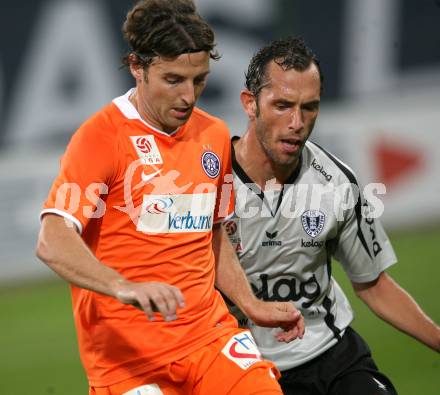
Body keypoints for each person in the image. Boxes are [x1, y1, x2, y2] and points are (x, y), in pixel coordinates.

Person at [35, 2, 305, 394]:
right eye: (173, 79)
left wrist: (250, 303)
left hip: (209, 338)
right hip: (128, 362)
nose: (188, 96)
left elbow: (211, 233)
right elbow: (52, 240)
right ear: (137, 66)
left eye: (199, 80)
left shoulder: (212, 135)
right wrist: (124, 285)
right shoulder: (101, 138)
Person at [226, 37, 440, 395]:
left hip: (331, 354)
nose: (297, 122)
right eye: (282, 105)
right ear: (250, 104)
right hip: (244, 369)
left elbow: (373, 283)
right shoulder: (208, 181)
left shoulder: (335, 181)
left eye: (309, 107)